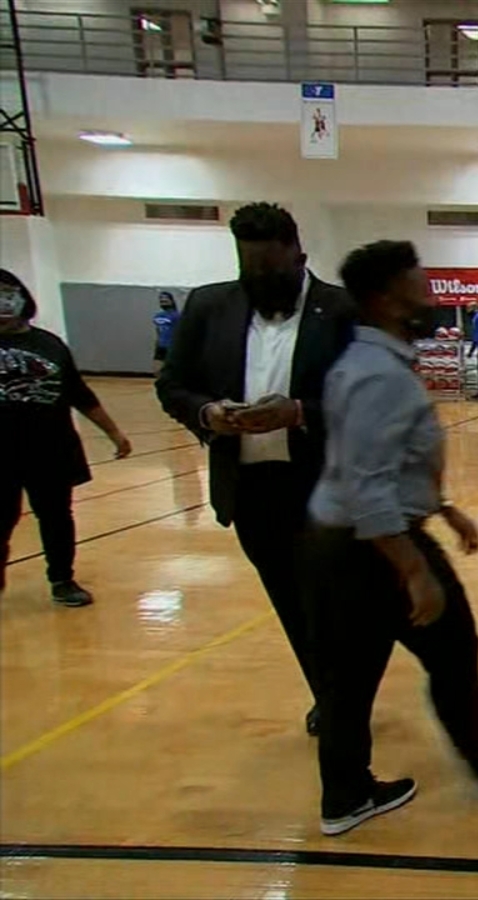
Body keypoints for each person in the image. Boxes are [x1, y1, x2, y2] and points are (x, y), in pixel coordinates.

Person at [301, 240, 478, 837]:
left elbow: (388, 462)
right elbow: (368, 486)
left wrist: (444, 508)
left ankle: (346, 795)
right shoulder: (378, 376)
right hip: (374, 548)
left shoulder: (373, 364)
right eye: (420, 284)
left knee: (353, 676)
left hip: (356, 541)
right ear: (387, 299)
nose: (431, 296)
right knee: (450, 651)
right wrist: (414, 570)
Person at [156, 202, 355, 736]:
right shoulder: (208, 307)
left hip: (326, 489)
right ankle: (331, 698)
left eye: (272, 267)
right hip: (251, 491)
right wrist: (208, 413)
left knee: (332, 605)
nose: (262, 278)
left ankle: (342, 702)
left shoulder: (343, 311)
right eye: (251, 269)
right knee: (291, 603)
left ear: (299, 256)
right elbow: (172, 385)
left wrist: (300, 412)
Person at [1, 269, 132, 606]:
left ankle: (62, 579)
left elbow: (79, 393)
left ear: (21, 299)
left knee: (56, 516)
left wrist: (114, 433)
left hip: (49, 449)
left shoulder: (49, 345)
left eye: (7, 294)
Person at [153, 290, 180, 375]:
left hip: (172, 347)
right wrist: (157, 343)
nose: (163, 300)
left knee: (172, 371)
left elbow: (181, 332)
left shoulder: (177, 315)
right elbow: (158, 331)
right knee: (157, 371)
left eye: (166, 299)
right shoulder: (158, 316)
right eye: (161, 299)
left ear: (171, 301)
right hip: (161, 347)